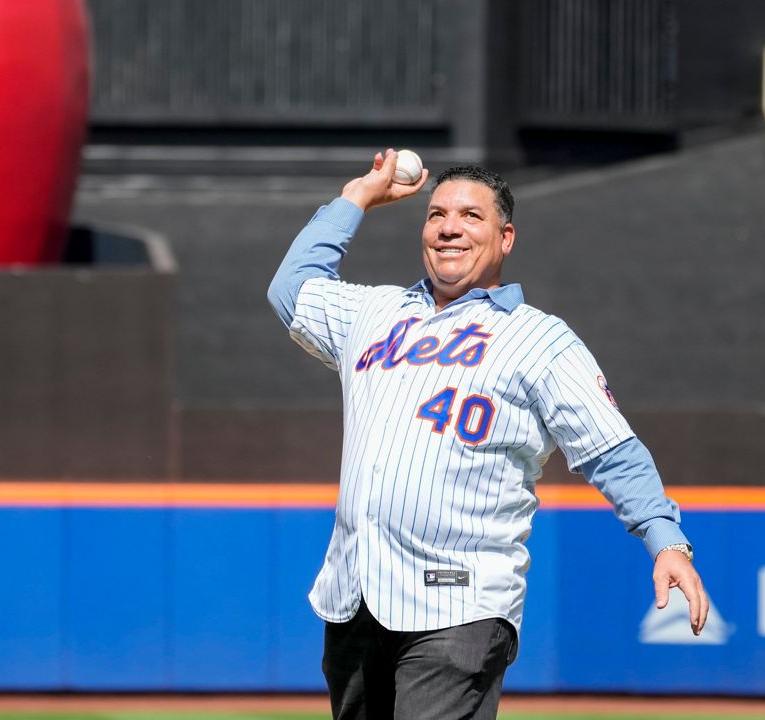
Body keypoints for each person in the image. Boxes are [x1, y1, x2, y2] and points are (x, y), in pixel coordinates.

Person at [266, 150, 708, 720]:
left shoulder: (540, 340)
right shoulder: (373, 312)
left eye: (471, 216)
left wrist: (664, 538)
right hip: (356, 599)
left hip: (460, 605)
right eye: (437, 215)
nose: (450, 227)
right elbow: (291, 290)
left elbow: (610, 449)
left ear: (506, 238)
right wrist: (356, 198)